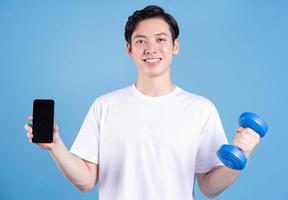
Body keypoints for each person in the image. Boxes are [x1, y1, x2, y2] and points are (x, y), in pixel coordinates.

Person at [25, 5, 260, 200]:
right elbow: (86, 181)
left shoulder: (201, 109)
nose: (151, 48)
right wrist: (55, 147)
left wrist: (241, 156)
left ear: (175, 46)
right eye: (140, 41)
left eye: (160, 39)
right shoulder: (105, 106)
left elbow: (209, 187)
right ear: (129, 49)